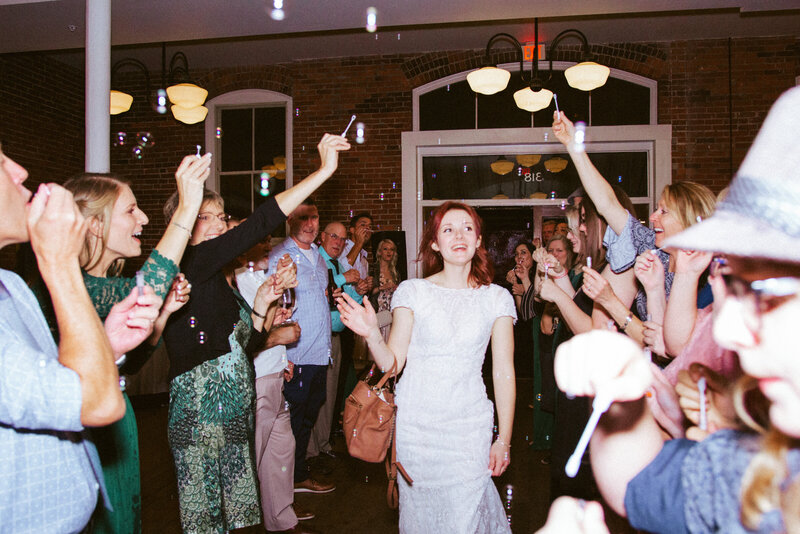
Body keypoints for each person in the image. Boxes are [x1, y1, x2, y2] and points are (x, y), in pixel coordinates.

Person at [553, 87, 800, 533]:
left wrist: (615, 308)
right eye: (729, 285)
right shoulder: (754, 467)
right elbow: (641, 480)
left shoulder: (688, 268)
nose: (725, 329)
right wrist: (623, 396)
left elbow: (670, 342)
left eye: (763, 292)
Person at [162, 134, 349, 533]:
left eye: (220, 216)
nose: (218, 225)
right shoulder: (191, 262)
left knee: (230, 519)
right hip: (200, 415)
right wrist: (323, 171)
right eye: (205, 216)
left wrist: (263, 302)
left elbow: (243, 346)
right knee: (205, 519)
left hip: (232, 410)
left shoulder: (217, 279)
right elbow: (264, 219)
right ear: (181, 221)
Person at [0, 146, 161, 533]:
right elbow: (96, 403)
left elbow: (53, 380)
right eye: (1, 162)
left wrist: (109, 345)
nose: (21, 170)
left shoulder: (10, 286)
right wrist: (59, 261)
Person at [338, 201, 516, 533]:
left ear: (479, 240)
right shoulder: (413, 291)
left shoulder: (496, 298)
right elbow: (393, 362)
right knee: (421, 518)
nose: (458, 235)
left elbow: (503, 372)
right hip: (417, 429)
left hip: (469, 427)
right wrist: (372, 335)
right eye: (448, 229)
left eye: (467, 228)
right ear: (435, 242)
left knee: (466, 517)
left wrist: (503, 438)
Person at [56, 153, 209, 534]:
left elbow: (132, 362)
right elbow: (151, 283)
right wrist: (186, 208)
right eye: (131, 210)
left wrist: (161, 316)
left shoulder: (104, 289)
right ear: (94, 225)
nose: (142, 218)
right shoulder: (73, 289)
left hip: (118, 418)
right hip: (87, 431)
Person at [552, 111, 716, 342]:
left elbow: (679, 347)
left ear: (688, 219)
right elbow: (607, 204)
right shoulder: (651, 248)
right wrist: (572, 145)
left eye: (663, 211)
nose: (652, 217)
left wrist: (610, 300)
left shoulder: (711, 273)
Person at [265, 200, 337, 496]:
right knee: (291, 422)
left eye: (315, 218)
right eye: (303, 218)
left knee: (307, 419)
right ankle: (285, 484)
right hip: (296, 355)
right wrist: (282, 356)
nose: (310, 224)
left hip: (320, 353)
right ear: (290, 221)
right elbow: (271, 307)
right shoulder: (280, 256)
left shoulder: (319, 258)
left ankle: (297, 475)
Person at [307, 221, 361, 460]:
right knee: (314, 396)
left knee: (329, 395)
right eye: (333, 237)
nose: (338, 243)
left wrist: (358, 289)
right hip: (316, 337)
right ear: (322, 237)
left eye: (342, 239)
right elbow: (313, 290)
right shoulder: (315, 260)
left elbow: (346, 301)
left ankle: (323, 445)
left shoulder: (337, 264)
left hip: (335, 337)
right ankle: (310, 453)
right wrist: (342, 279)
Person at [370, 237, 401, 341]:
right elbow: (368, 293)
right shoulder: (373, 269)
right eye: (385, 249)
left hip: (391, 315)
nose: (389, 252)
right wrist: (382, 287)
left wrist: (397, 289)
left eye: (391, 249)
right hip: (377, 314)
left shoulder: (395, 272)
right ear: (379, 252)